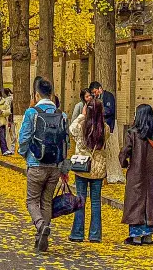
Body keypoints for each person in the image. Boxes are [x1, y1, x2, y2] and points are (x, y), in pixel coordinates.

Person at [18, 77, 68, 253]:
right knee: (46, 201)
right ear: (51, 94)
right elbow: (65, 142)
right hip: (54, 165)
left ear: (37, 94)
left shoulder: (32, 113)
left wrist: (24, 154)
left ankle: (40, 226)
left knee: (31, 200)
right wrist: (63, 165)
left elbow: (23, 138)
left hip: (36, 163)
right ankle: (41, 237)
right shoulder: (62, 115)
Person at [119, 103, 153, 246]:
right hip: (151, 173)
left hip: (136, 173)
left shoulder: (132, 133)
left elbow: (125, 151)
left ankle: (136, 236)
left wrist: (124, 163)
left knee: (135, 201)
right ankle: (148, 236)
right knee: (151, 202)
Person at [69, 97, 109, 244]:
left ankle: (78, 233)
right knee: (96, 202)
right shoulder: (105, 128)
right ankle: (95, 235)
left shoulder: (81, 127)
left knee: (80, 199)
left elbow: (71, 129)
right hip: (97, 169)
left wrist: (82, 116)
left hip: (82, 167)